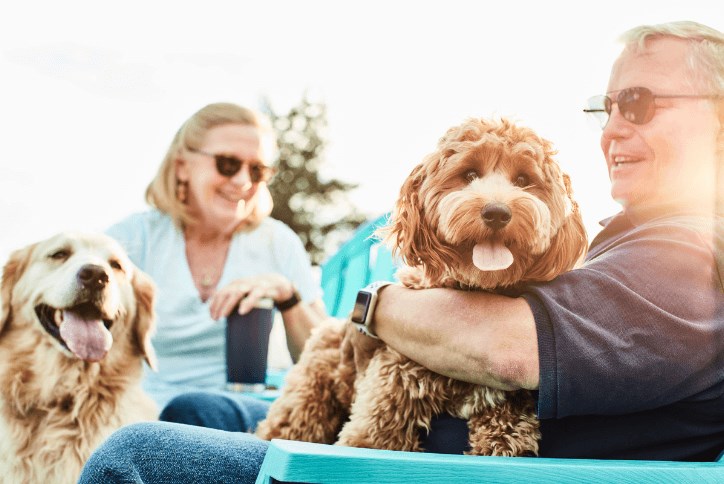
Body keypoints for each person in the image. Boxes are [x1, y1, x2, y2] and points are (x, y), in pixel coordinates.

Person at [79, 21, 723, 483]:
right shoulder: (634, 237)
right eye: (606, 107)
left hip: (410, 462)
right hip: (400, 434)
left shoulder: (689, 252)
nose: (611, 128)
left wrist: (374, 303)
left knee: (135, 453)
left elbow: (505, 349)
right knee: (199, 409)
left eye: (638, 104)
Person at [104, 102, 327, 426]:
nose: (243, 182)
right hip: (138, 411)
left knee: (194, 410)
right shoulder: (136, 239)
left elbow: (327, 360)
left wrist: (288, 297)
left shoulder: (277, 242)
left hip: (236, 415)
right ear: (182, 166)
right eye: (227, 164)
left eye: (257, 171)